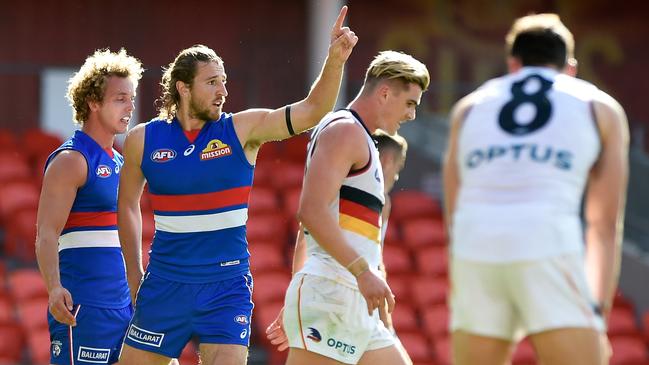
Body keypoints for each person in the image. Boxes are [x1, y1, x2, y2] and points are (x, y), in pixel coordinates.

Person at [116, 6, 357, 365]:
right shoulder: (142, 140)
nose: (223, 91)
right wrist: (135, 274)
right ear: (183, 88)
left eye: (224, 80)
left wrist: (335, 59)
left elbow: (311, 110)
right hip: (164, 286)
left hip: (226, 288)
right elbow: (127, 206)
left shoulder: (243, 130)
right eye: (212, 82)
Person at [443, 13, 628, 365]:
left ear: (514, 65)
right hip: (548, 242)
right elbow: (603, 223)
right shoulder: (600, 107)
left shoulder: (468, 108)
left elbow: (454, 211)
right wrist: (597, 309)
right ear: (569, 67)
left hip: (475, 244)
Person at [269, 51, 429, 365]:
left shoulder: (363, 138)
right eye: (410, 103)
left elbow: (316, 227)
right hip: (331, 294)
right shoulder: (345, 130)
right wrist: (360, 273)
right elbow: (311, 212)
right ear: (385, 92)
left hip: (351, 298)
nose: (411, 115)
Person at [35, 49, 143, 365]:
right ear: (94, 103)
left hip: (124, 308)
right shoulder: (71, 160)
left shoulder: (124, 163)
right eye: (120, 98)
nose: (130, 106)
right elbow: (46, 233)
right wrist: (54, 288)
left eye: (131, 98)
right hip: (83, 308)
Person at [265, 130, 410, 360]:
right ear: (387, 161)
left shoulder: (384, 202)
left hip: (361, 307)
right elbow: (307, 235)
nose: (396, 178)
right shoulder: (345, 188)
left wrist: (386, 324)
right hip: (330, 295)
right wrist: (298, 298)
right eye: (398, 170)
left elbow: (376, 264)